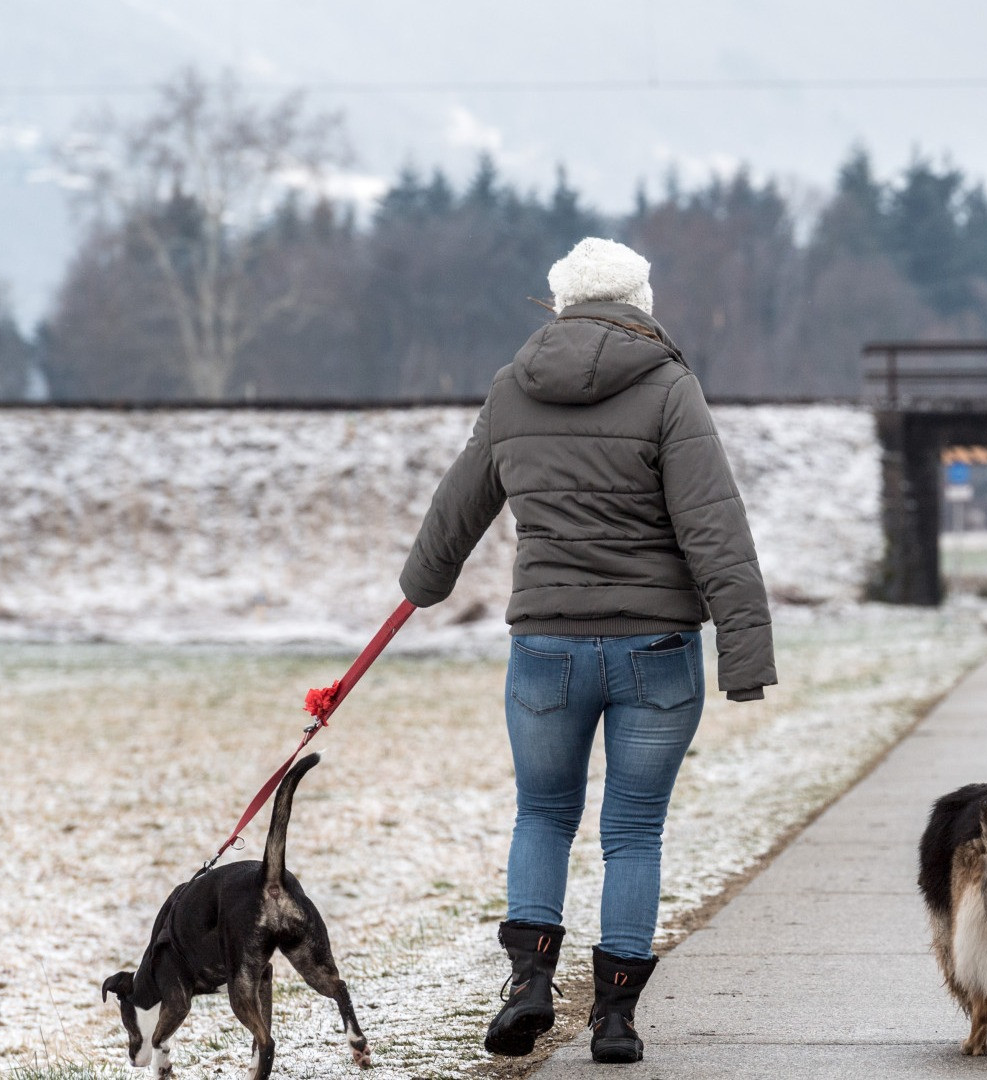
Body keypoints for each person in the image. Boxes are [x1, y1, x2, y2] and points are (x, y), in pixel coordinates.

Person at [399, 237, 775, 1064]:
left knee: (542, 814)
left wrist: (423, 585)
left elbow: (455, 509)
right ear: (639, 301)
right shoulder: (670, 387)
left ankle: (531, 984)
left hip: (547, 650)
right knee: (632, 831)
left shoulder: (511, 389)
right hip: (657, 648)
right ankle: (614, 1018)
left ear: (559, 302)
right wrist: (745, 653)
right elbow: (715, 525)